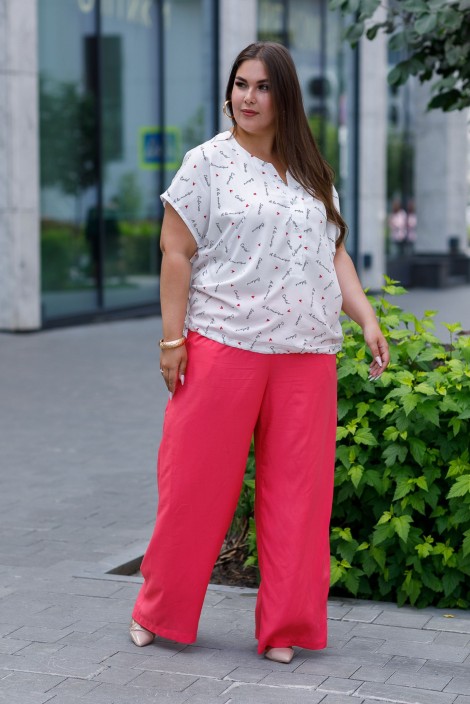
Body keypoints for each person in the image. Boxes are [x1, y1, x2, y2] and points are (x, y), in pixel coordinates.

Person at [129, 41, 389, 664]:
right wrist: (172, 340)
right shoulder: (206, 163)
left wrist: (366, 317)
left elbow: (334, 253)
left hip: (307, 354)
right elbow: (175, 253)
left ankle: (285, 628)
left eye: (263, 87)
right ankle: (158, 610)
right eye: (241, 84)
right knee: (193, 488)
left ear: (284, 97)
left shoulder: (311, 172)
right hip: (224, 345)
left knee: (299, 498)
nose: (248, 97)